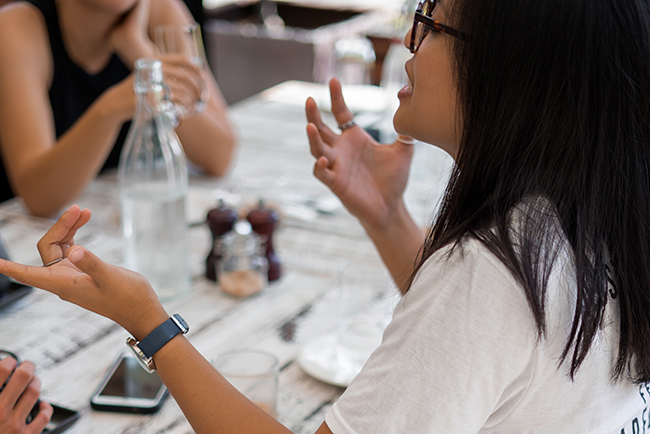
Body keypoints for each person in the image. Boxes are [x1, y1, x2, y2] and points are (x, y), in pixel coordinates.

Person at [1, 0, 649, 432]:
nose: (404, 40)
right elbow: (496, 344)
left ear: (514, 68)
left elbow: (480, 307)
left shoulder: (490, 273)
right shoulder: (589, 215)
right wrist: (387, 217)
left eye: (427, 20)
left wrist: (148, 322)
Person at [0, 0, 236, 217]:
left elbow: (219, 155)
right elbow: (39, 198)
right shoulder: (17, 26)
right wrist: (110, 108)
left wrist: (137, 49)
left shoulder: (160, 10)